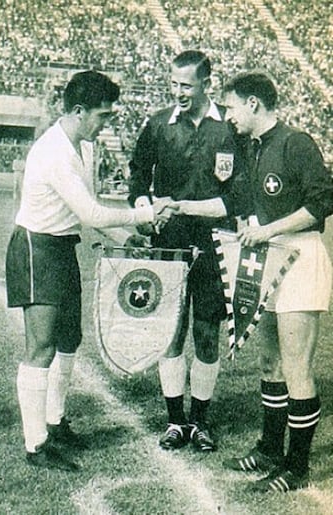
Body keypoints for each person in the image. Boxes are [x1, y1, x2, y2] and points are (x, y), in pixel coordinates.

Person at [174, 71, 333, 492]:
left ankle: (295, 466)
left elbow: (322, 203)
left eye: (230, 107)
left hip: (299, 257)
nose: (228, 116)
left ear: (253, 104)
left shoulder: (295, 142)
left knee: (297, 366)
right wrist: (190, 207)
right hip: (266, 259)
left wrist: (267, 230)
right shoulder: (252, 146)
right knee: (269, 362)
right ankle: (269, 448)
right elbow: (237, 201)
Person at [5, 70, 172, 471]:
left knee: (68, 341)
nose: (106, 123)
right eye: (101, 115)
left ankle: (55, 421)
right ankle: (36, 445)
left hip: (61, 246)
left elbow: (87, 211)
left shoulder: (81, 145)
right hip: (37, 248)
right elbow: (90, 212)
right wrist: (145, 214)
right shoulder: (54, 152)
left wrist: (125, 235)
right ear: (78, 112)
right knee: (41, 346)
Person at [128, 50, 244, 452]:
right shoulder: (158, 125)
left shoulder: (229, 130)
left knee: (207, 333)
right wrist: (144, 210)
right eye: (173, 84)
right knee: (172, 332)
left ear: (206, 84)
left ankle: (201, 422)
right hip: (170, 242)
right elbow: (138, 176)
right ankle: (175, 421)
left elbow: (237, 195)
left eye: (186, 85)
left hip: (214, 245)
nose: (178, 92)